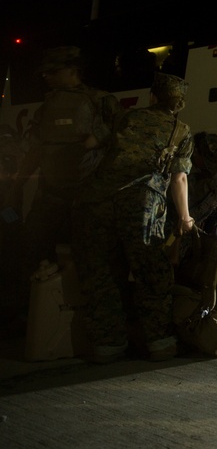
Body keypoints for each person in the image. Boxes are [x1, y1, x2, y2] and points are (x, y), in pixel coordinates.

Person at [75, 72, 195, 363]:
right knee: (151, 273)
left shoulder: (125, 118)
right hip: (141, 205)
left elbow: (90, 143)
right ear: (179, 103)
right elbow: (179, 178)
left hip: (98, 201)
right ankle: (160, 344)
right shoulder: (180, 130)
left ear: (153, 96)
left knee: (103, 273)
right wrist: (185, 217)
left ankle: (108, 346)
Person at [10, 47, 120, 328]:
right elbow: (36, 148)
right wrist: (18, 182)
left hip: (86, 197)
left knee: (89, 258)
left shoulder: (101, 101)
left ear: (72, 70)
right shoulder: (48, 104)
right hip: (50, 195)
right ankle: (30, 316)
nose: (46, 77)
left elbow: (121, 144)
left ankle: (90, 321)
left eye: (53, 71)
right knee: (33, 251)